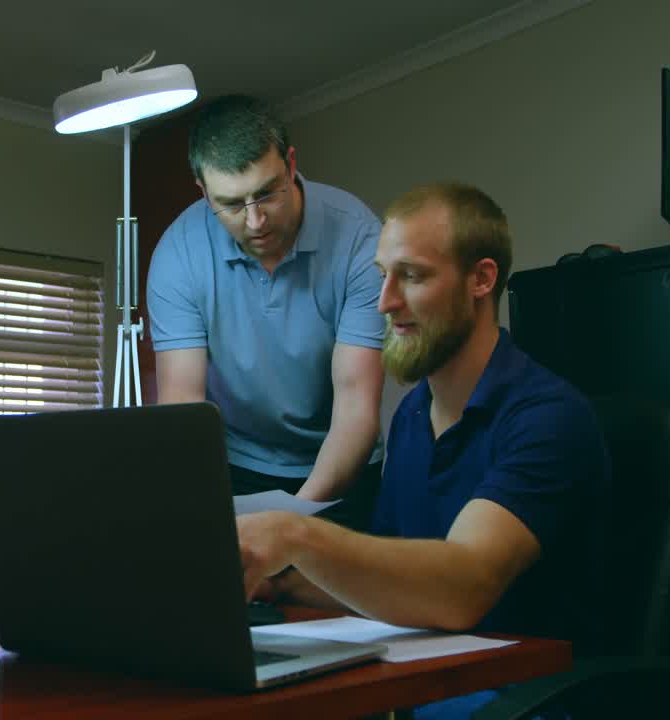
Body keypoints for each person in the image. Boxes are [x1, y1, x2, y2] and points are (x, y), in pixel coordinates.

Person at [236, 182, 607, 716]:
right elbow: (396, 583)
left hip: (523, 698)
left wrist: (293, 534)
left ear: (481, 279)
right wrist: (279, 584)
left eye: (411, 276)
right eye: (382, 275)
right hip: (429, 679)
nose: (385, 302)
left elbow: (463, 587)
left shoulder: (547, 418)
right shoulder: (413, 415)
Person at [146, 95, 385, 529]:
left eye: (266, 194)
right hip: (234, 463)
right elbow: (183, 408)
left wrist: (291, 519)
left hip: (340, 461)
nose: (255, 221)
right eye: (232, 204)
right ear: (203, 192)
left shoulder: (360, 240)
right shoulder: (178, 253)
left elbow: (356, 407)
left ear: (290, 165)